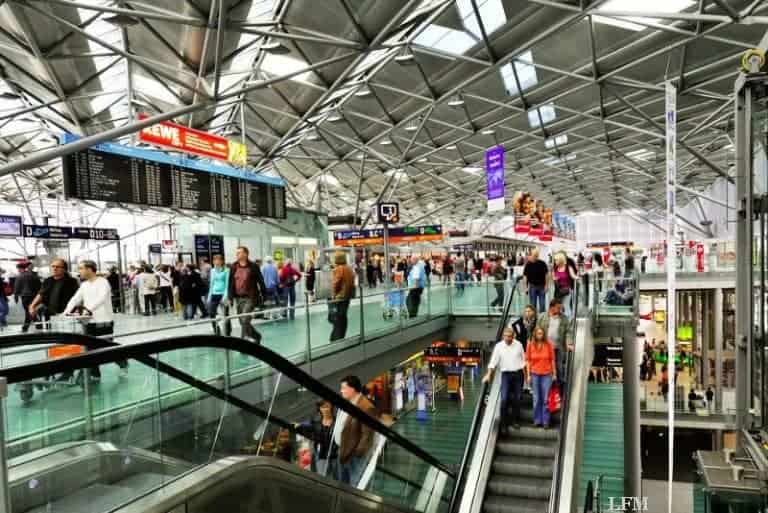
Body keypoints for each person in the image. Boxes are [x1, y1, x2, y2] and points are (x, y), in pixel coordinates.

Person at [63, 260, 128, 380]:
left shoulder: (103, 282)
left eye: (81, 268)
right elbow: (75, 298)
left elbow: (101, 299)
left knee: (106, 349)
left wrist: (87, 309)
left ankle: (122, 362)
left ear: (89, 269)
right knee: (89, 349)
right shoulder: (84, 285)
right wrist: (67, 310)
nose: (79, 271)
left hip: (104, 321)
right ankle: (95, 374)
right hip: (88, 322)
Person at [334, 375, 377, 486]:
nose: (341, 391)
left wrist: (357, 454)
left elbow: (367, 435)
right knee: (342, 485)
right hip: (342, 451)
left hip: (353, 457)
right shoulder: (347, 402)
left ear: (352, 389)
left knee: (354, 486)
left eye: (343, 388)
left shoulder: (366, 407)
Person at [483, 327, 526, 432]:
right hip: (506, 375)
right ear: (503, 336)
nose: (507, 338)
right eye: (505, 336)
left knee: (518, 398)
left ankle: (515, 420)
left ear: (513, 336)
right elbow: (493, 362)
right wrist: (488, 375)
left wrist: (527, 376)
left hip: (518, 374)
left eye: (509, 336)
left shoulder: (519, 345)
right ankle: (504, 424)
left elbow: (524, 361)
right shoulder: (499, 346)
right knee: (504, 399)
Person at [27, 259, 79, 330]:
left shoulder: (72, 281)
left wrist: (77, 309)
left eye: (58, 267)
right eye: (53, 266)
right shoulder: (48, 280)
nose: (54, 268)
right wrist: (32, 306)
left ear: (64, 269)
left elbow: (77, 297)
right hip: (50, 314)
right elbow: (41, 294)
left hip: (66, 314)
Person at [228, 246, 266, 344]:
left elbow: (260, 281)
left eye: (239, 252)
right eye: (236, 253)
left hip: (250, 298)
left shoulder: (253, 266)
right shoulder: (233, 266)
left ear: (246, 254)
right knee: (242, 321)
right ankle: (256, 336)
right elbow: (230, 283)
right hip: (238, 298)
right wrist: (230, 297)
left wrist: (264, 296)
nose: (237, 254)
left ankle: (243, 343)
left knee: (245, 320)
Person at [536, 298, 570, 391]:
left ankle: (560, 386)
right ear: (551, 307)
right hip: (545, 347)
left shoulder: (564, 318)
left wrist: (568, 343)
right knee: (546, 366)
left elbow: (568, 332)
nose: (560, 310)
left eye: (561, 308)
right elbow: (537, 331)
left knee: (559, 367)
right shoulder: (542, 316)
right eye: (558, 308)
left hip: (558, 347)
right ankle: (547, 385)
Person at [526, 326, 557, 428]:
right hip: (534, 374)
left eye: (541, 333)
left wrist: (554, 374)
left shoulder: (549, 345)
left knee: (545, 399)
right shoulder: (530, 345)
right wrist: (528, 374)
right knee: (536, 399)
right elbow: (528, 360)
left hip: (547, 374)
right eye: (538, 333)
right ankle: (537, 420)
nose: (540, 335)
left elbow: (552, 360)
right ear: (535, 334)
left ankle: (546, 421)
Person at [329, 252, 355, 341]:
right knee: (343, 317)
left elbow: (336, 283)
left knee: (336, 318)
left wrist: (333, 295)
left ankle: (336, 338)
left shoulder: (339, 269)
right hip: (347, 296)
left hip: (339, 297)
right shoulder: (349, 269)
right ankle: (341, 336)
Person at [311, 399, 338, 477]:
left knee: (336, 478)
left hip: (335, 456)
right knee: (322, 477)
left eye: (327, 407)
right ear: (319, 409)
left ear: (331, 408)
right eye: (322, 407)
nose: (325, 410)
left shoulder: (337, 422)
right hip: (321, 456)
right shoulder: (315, 422)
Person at [14, 262, 41, 332]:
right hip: (33, 296)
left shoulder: (20, 276)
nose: (18, 270)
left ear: (20, 268)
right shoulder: (33, 275)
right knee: (31, 310)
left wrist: (16, 296)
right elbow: (39, 285)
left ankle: (25, 328)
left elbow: (17, 287)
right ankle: (38, 325)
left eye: (18, 269)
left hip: (25, 297)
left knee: (28, 311)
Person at [207, 254, 230, 335]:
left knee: (226, 315)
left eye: (218, 260)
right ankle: (216, 330)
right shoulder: (212, 270)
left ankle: (228, 332)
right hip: (214, 294)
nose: (216, 262)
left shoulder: (226, 270)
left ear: (221, 261)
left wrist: (225, 296)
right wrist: (209, 296)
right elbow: (211, 284)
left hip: (223, 295)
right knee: (211, 313)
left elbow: (227, 284)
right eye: (214, 260)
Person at [552, 252, 578, 317]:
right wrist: (554, 279)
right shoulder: (555, 268)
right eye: (555, 260)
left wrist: (577, 277)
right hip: (558, 291)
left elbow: (573, 276)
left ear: (561, 260)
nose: (555, 261)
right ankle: (562, 321)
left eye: (556, 260)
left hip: (567, 290)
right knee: (559, 306)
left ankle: (568, 321)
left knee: (566, 306)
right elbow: (553, 277)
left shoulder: (568, 267)